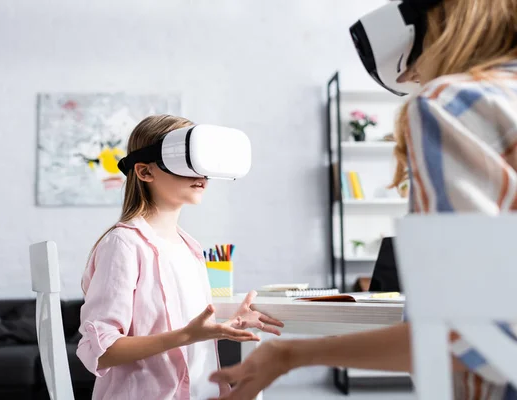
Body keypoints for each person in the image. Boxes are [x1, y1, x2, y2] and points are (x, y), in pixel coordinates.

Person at [208, 0, 517, 399]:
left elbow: (475, 335)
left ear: (438, 29)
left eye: (410, 62)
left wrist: (289, 355)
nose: (411, 77)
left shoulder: (454, 106)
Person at [76, 115, 284, 400]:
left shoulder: (190, 247)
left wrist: (228, 325)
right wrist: (187, 335)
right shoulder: (123, 244)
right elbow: (99, 353)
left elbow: (186, 330)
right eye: (186, 162)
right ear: (145, 172)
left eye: (202, 162)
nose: (201, 175)